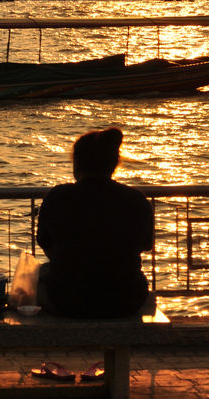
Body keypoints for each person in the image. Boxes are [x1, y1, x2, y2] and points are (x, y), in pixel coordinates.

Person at [36, 127, 154, 319]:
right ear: (114, 165)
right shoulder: (136, 199)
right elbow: (146, 245)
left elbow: (44, 242)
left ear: (78, 164)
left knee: (41, 272)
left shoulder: (57, 197)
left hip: (68, 301)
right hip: (126, 300)